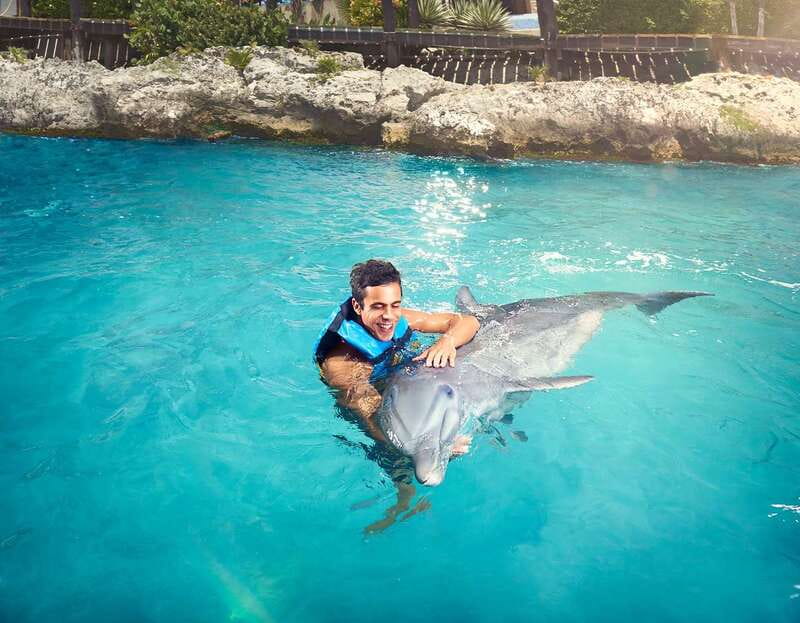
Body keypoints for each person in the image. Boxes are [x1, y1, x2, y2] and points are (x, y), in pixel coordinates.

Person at [313, 259, 480, 453]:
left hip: (399, 378)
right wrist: (435, 448)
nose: (389, 316)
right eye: (378, 306)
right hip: (373, 397)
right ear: (358, 307)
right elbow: (375, 421)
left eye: (395, 305)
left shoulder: (400, 318)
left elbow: (468, 321)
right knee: (393, 461)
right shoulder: (343, 365)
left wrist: (448, 341)